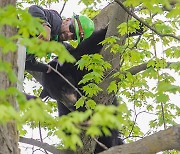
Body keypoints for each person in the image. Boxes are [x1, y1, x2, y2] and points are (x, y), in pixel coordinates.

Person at [25, 5, 95, 73]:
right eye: (71, 29)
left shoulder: (55, 44)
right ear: (67, 20)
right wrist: (45, 25)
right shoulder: (54, 19)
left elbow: (26, 62)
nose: (69, 34)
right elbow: (33, 9)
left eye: (74, 37)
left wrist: (47, 69)